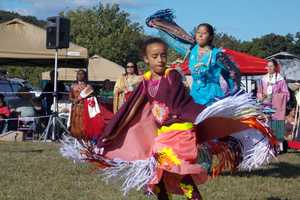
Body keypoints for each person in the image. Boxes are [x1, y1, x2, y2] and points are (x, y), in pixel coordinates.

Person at [61, 38, 277, 200]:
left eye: (163, 55)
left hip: (181, 132)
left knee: (174, 171)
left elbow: (176, 99)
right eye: (155, 56)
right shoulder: (146, 81)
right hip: (163, 136)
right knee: (157, 177)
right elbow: (130, 108)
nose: (160, 59)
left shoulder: (171, 75)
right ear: (145, 59)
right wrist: (111, 133)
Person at [146, 10, 240, 105]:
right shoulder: (191, 51)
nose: (200, 35)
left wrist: (234, 92)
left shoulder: (217, 55)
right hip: (195, 96)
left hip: (213, 98)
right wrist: (159, 25)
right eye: (198, 32)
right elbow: (173, 42)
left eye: (204, 33)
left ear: (211, 36)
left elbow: (234, 72)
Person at [257, 59, 290, 142]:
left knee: (276, 124)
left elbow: (286, 94)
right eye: (268, 66)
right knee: (266, 124)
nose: (269, 68)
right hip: (265, 105)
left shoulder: (280, 80)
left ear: (275, 67)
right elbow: (259, 92)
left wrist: (274, 96)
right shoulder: (263, 79)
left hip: (277, 107)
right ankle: (266, 144)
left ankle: (278, 145)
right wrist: (261, 96)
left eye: (271, 66)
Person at [69, 70, 104, 141]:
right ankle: (77, 142)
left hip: (85, 109)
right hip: (76, 109)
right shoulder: (73, 86)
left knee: (84, 126)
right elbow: (70, 97)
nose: (80, 75)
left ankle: (86, 142)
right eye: (78, 74)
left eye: (82, 74)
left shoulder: (89, 87)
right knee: (76, 126)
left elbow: (92, 98)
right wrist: (74, 100)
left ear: (85, 76)